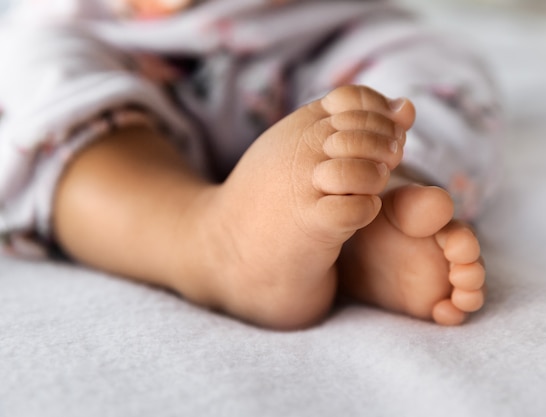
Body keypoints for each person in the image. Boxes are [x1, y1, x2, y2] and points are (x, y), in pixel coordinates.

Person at [0, 0, 501, 329]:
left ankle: (374, 202)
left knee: (428, 67)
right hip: (121, 44)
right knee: (35, 78)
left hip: (313, 31)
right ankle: (202, 238)